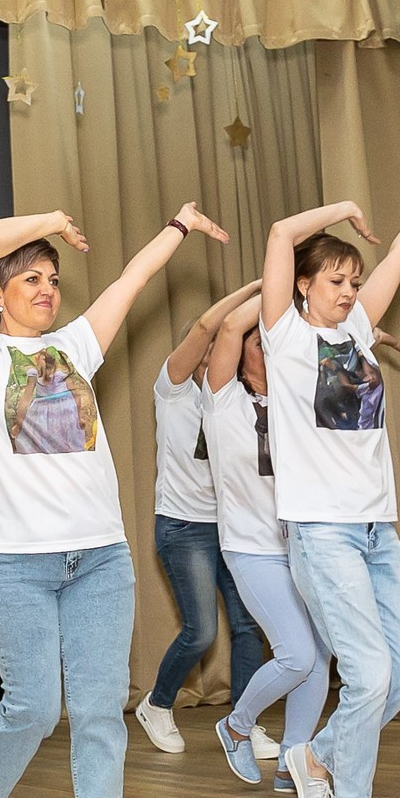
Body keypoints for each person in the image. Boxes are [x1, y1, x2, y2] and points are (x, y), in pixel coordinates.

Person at [0, 199, 229, 798]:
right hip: (15, 564)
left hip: (99, 557)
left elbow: (129, 282)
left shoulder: (74, 346)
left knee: (102, 707)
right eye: (30, 278)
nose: (46, 288)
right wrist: (48, 218)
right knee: (36, 706)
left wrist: (178, 227)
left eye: (52, 277)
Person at [259, 186, 400, 798]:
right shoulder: (283, 337)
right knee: (368, 672)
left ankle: (312, 755)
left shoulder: (358, 331)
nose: (347, 291)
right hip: (322, 531)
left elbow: (399, 253)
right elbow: (283, 232)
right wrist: (342, 209)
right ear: (304, 286)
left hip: (376, 530)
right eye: (335, 280)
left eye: (354, 281)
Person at [200, 297, 334, 795]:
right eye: (262, 343)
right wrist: (281, 283)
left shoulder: (294, 403)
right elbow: (232, 324)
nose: (271, 350)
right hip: (250, 550)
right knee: (296, 654)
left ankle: (292, 766)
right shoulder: (221, 401)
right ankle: (237, 724)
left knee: (318, 657)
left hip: (301, 547)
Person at [135, 286, 269, 753]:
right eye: (212, 349)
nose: (218, 355)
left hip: (234, 528)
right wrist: (261, 287)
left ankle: (243, 723)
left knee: (248, 626)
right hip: (183, 528)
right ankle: (158, 702)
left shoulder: (240, 401)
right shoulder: (173, 390)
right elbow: (207, 326)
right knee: (202, 631)